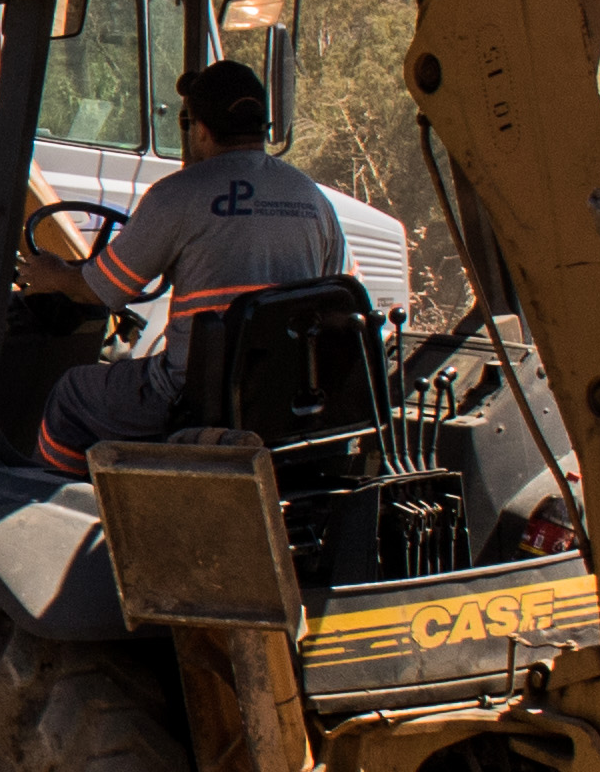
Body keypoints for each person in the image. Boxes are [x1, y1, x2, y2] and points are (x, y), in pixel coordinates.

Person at [24, 60, 356, 477]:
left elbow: (102, 289)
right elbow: (337, 292)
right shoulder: (311, 198)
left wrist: (50, 275)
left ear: (199, 129)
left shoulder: (178, 195)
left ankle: (62, 511)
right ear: (263, 126)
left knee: (72, 393)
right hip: (287, 396)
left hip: (189, 395)